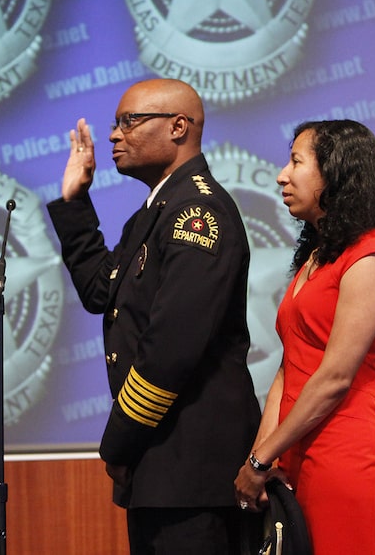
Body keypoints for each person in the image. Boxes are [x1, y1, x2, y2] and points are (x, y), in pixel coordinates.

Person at [47, 78, 261, 554]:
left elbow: (169, 351)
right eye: (115, 124)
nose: (114, 136)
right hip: (163, 464)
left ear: (179, 127)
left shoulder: (196, 214)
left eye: (130, 121)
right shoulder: (160, 209)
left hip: (191, 468)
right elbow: (101, 291)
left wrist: (118, 444)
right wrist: (74, 202)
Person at [233, 120, 375, 554]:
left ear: (337, 173)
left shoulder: (372, 255)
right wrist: (261, 459)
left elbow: (334, 378)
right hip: (295, 453)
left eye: (296, 161)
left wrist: (259, 462)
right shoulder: (318, 254)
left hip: (345, 455)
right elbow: (286, 368)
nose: (282, 174)